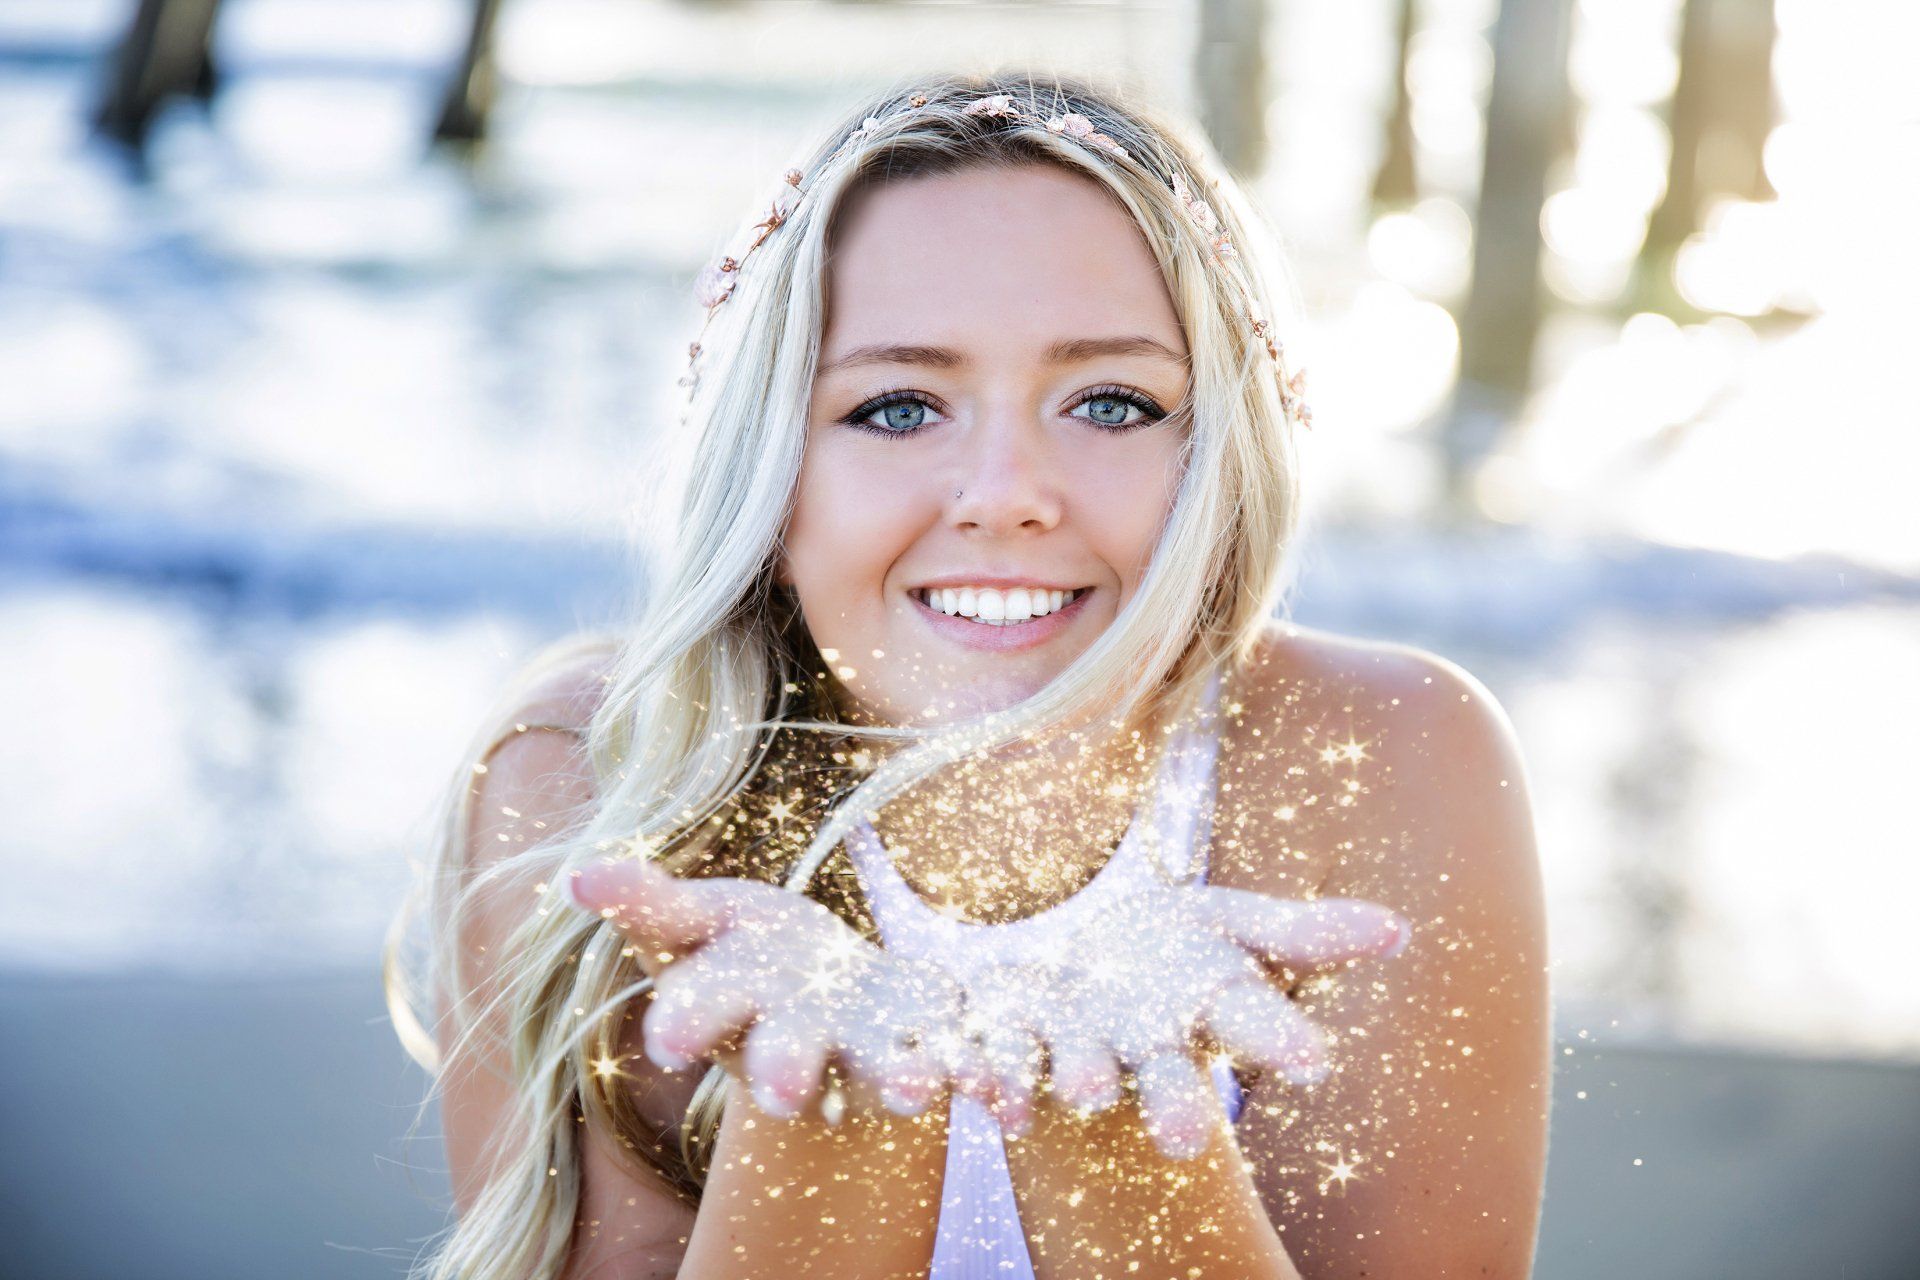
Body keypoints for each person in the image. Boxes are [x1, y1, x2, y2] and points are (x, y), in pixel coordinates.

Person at [383, 70, 1550, 1280]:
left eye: (1110, 401)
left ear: (1225, 450)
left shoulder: (1390, 755)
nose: (1005, 494)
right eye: (896, 408)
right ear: (770, 468)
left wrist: (1117, 1130)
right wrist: (833, 1115)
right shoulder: (602, 781)